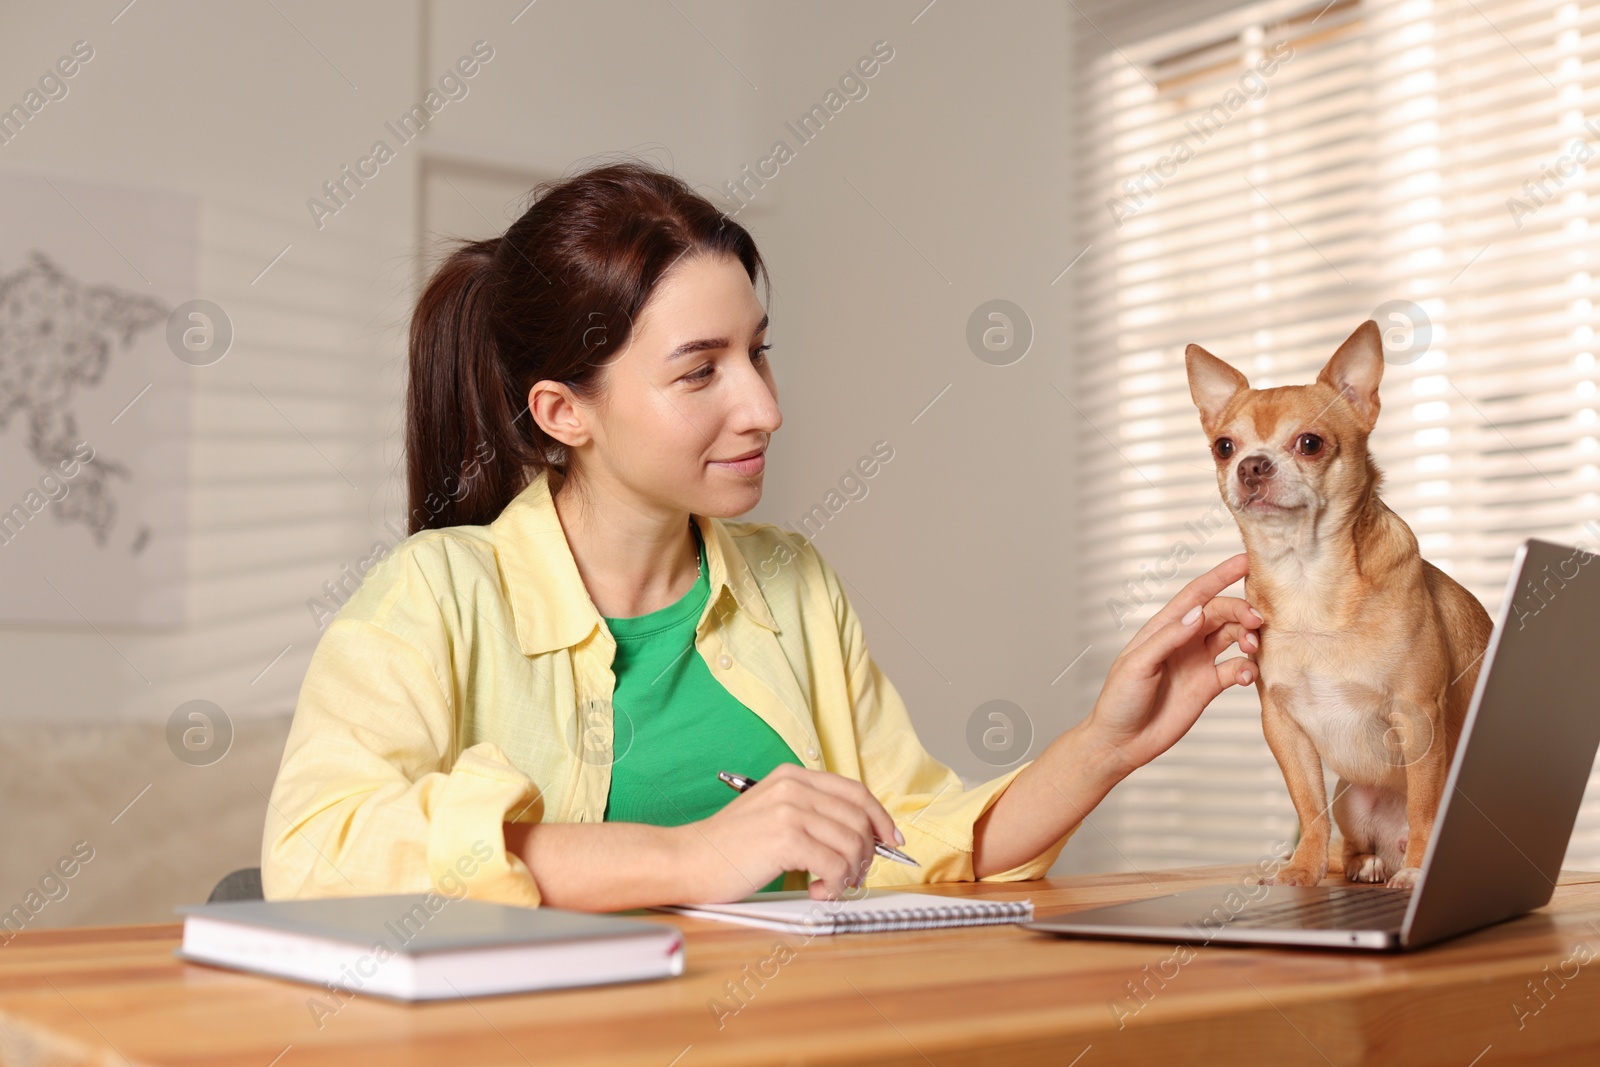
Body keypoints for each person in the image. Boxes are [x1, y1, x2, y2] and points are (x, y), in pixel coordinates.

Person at [260, 159, 1262, 912]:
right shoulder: (434, 593)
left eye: (758, 354)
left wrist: (1105, 743)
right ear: (565, 410)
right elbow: (316, 849)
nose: (764, 408)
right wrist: (692, 855)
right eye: (701, 371)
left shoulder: (791, 582)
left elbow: (917, 839)